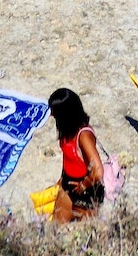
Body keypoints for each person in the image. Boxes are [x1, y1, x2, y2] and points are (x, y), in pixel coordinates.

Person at [49, 88, 105, 222]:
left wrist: (83, 185)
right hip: (68, 183)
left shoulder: (84, 136)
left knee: (83, 233)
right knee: (56, 228)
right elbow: (67, 155)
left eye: (55, 112)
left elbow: (98, 171)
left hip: (86, 189)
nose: (51, 115)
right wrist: (61, 178)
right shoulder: (67, 129)